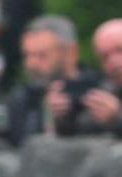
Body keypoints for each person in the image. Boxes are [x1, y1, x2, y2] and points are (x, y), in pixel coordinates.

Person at [6, 15, 94, 143]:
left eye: (42, 55)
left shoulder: (98, 93)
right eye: (27, 55)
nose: (31, 64)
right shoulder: (21, 100)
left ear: (71, 53)